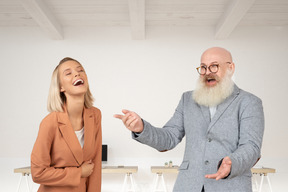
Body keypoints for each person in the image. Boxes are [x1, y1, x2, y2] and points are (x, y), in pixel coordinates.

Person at [114, 47, 265, 192]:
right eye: (203, 67)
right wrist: (141, 128)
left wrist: (232, 162)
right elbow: (169, 138)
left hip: (231, 186)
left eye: (214, 66)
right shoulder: (188, 99)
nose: (207, 72)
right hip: (188, 185)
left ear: (231, 68)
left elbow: (251, 146)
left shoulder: (249, 102)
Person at [31, 57, 102, 192]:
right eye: (68, 73)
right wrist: (78, 172)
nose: (77, 74)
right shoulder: (50, 122)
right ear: (60, 87)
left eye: (80, 70)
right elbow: (38, 173)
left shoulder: (95, 115)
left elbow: (96, 165)